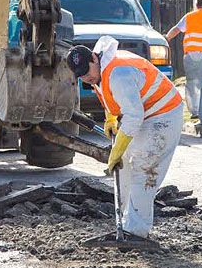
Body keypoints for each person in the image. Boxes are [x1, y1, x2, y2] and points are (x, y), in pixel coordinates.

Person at [66, 36, 183, 239]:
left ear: (94, 58)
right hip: (145, 114)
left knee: (144, 169)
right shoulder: (99, 70)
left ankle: (136, 231)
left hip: (163, 115)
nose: (86, 77)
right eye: (81, 75)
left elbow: (133, 117)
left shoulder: (118, 73)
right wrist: (111, 118)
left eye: (86, 71)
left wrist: (116, 151)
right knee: (125, 166)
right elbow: (113, 96)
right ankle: (125, 222)